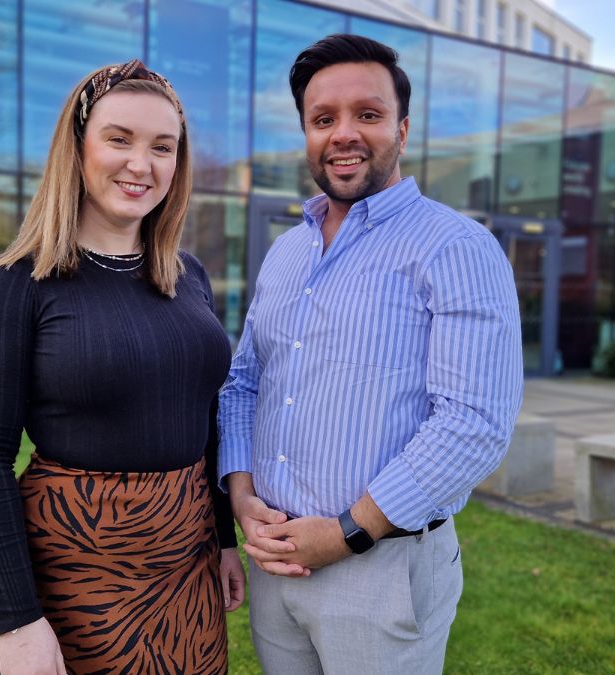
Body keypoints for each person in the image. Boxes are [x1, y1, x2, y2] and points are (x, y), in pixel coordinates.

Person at [218, 34, 523, 674]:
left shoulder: (456, 248)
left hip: (381, 569)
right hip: (276, 564)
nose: (344, 134)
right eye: (323, 119)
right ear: (305, 133)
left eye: (368, 114)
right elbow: (244, 382)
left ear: (402, 130)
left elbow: (473, 424)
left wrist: (346, 532)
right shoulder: (287, 252)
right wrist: (241, 496)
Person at [0, 59, 245, 675]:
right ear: (78, 147)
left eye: (163, 147)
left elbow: (208, 418)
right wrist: (17, 622)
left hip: (185, 567)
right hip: (77, 574)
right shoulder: (15, 284)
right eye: (119, 139)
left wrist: (223, 539)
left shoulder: (187, 276)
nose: (142, 164)